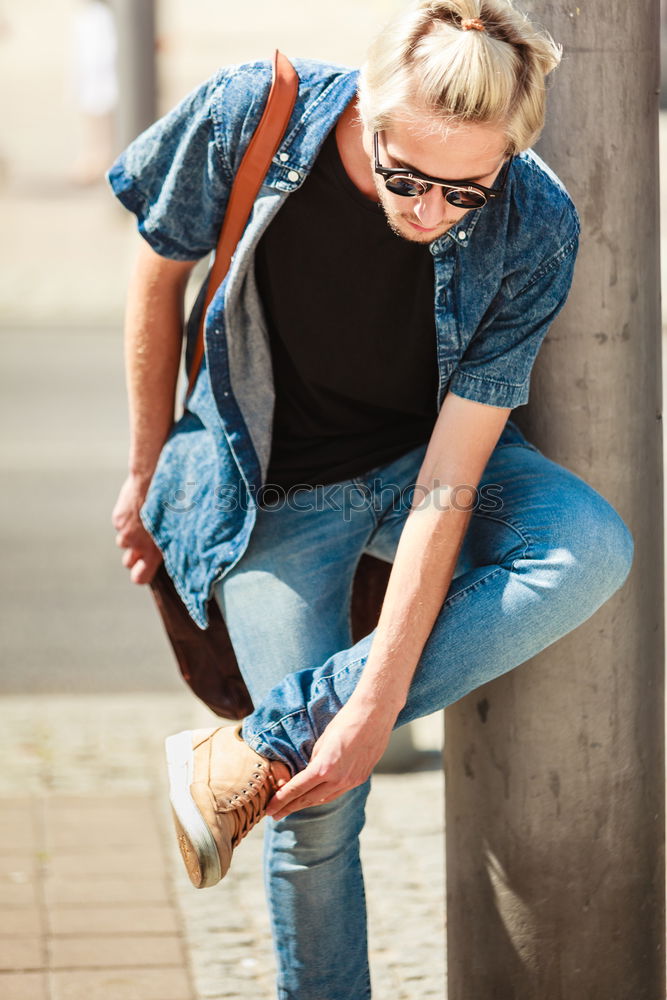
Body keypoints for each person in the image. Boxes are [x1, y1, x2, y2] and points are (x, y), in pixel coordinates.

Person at [108, 1, 634, 997]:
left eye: (463, 193)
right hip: (268, 490)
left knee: (590, 548)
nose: (429, 211)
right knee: (317, 809)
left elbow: (450, 477)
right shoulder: (248, 115)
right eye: (405, 177)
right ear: (369, 105)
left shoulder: (535, 221)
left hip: (417, 464)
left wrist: (366, 703)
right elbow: (155, 278)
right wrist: (142, 471)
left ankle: (259, 745)